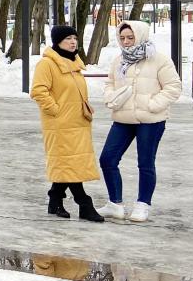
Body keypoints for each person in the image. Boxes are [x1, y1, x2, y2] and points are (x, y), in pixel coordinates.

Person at [99, 20, 181, 223]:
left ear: (141, 36)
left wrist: (152, 104)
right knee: (107, 159)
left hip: (151, 121)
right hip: (123, 118)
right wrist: (110, 97)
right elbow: (110, 83)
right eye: (122, 38)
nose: (126, 42)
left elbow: (173, 87)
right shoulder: (119, 60)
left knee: (145, 163)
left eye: (130, 37)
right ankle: (115, 204)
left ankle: (143, 204)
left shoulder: (159, 60)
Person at [29, 26, 103, 222]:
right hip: (60, 125)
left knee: (69, 163)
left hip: (77, 123)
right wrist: (56, 110)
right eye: (68, 38)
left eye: (75, 38)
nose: (73, 42)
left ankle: (55, 200)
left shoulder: (73, 63)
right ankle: (84, 203)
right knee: (69, 164)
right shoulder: (47, 64)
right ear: (58, 41)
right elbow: (38, 91)